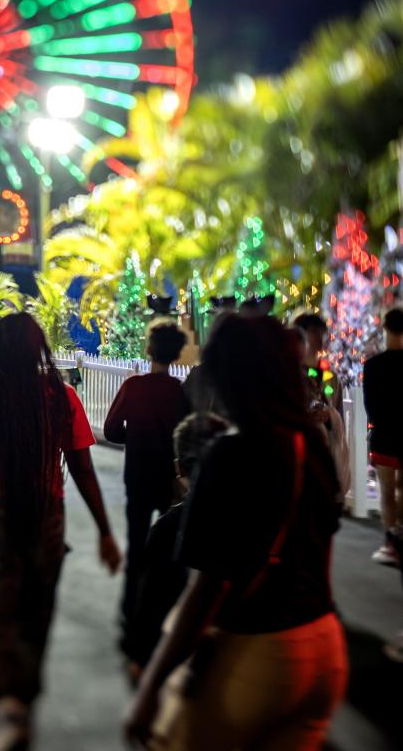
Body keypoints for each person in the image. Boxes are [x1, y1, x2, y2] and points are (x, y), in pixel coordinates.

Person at [126, 316, 347, 751]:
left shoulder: (233, 454)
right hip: (324, 646)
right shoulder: (309, 444)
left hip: (263, 651)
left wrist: (152, 685)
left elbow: (207, 589)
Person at [0, 312, 121, 749]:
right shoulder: (60, 395)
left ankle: (7, 705)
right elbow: (82, 469)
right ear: (38, 348)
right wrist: (104, 530)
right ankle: (21, 703)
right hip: (47, 511)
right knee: (35, 607)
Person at [123, 411, 229, 675]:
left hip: (186, 656)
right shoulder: (247, 516)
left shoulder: (171, 526)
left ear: (179, 467)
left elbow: (152, 601)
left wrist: (140, 656)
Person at [104, 322, 189, 646]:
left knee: (136, 544)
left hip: (137, 476)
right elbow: (185, 436)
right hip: (168, 480)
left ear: (149, 350)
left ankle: (130, 611)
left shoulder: (133, 387)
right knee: (168, 548)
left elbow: (111, 430)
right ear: (177, 352)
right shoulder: (179, 391)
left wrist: (134, 438)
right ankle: (162, 614)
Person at [293, 312, 351, 498]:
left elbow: (338, 414)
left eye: (321, 331)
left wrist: (330, 415)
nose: (319, 337)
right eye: (312, 331)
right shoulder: (289, 374)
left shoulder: (331, 378)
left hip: (325, 456)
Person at [363, 308, 403, 566]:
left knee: (387, 491)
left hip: (385, 434)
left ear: (385, 328)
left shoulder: (373, 365)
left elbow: (370, 406)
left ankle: (391, 539)